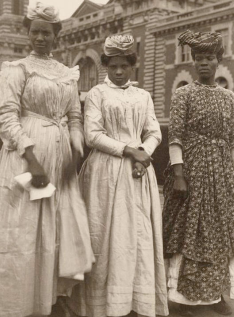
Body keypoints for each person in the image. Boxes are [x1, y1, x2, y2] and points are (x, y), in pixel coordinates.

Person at [0, 2, 94, 317]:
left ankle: (50, 297)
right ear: (28, 33)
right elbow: (7, 116)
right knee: (22, 230)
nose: (40, 37)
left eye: (46, 32)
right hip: (26, 157)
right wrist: (31, 158)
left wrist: (76, 151)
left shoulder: (68, 74)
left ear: (56, 35)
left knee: (56, 229)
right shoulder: (16, 68)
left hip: (60, 156)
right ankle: (16, 302)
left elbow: (75, 117)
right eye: (35, 32)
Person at [68, 34, 168, 317]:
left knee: (137, 233)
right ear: (106, 66)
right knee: (107, 234)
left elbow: (154, 132)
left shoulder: (143, 96)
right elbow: (92, 135)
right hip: (106, 171)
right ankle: (104, 304)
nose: (119, 71)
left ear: (133, 66)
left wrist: (142, 153)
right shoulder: (98, 93)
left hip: (139, 173)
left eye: (124, 65)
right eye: (113, 66)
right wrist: (128, 151)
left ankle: (135, 300)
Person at [162, 30, 234, 316]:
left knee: (220, 231)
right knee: (190, 229)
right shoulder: (183, 94)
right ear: (193, 62)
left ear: (218, 61)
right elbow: (175, 136)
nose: (204, 63)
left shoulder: (229, 97)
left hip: (221, 172)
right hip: (191, 169)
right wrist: (179, 175)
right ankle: (180, 295)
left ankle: (216, 294)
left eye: (209, 58)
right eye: (199, 58)